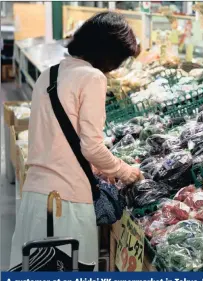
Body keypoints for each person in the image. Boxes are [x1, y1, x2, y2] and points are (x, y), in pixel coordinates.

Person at [9, 12, 142, 270]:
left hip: (35, 196)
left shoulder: (47, 75)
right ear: (109, 53)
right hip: (65, 202)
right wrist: (125, 171)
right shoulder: (92, 78)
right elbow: (91, 146)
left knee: (33, 268)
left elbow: (51, 140)